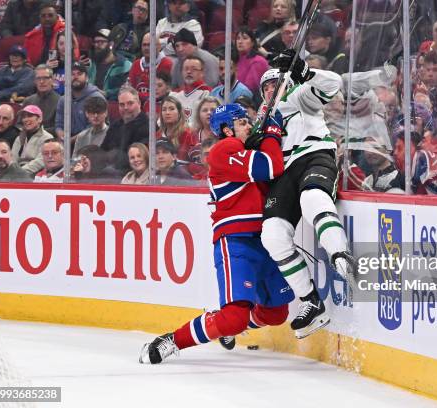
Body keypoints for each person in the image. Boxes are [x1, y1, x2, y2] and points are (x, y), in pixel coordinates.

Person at [139, 103, 292, 364]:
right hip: (237, 240)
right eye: (242, 122)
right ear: (226, 129)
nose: (249, 126)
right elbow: (271, 167)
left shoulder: (244, 150)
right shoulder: (225, 148)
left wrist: (269, 138)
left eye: (248, 121)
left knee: (276, 313)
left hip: (266, 238)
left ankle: (228, 327)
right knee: (234, 317)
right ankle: (171, 340)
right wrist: (272, 133)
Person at [259, 51, 356, 338]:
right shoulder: (262, 121)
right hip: (284, 172)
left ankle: (340, 254)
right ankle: (312, 302)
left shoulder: (300, 97)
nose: (270, 90)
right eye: (265, 87)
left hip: (314, 156)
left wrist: (304, 71)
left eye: (275, 83)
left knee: (313, 198)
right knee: (272, 234)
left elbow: (333, 84)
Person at [100, 86, 149, 173]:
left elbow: (139, 158)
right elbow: (102, 150)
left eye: (130, 103)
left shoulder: (148, 126)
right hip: (109, 171)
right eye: (122, 104)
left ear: (139, 103)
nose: (125, 107)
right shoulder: (115, 125)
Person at [54, 62, 106, 141]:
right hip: (67, 141)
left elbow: (93, 127)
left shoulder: (96, 98)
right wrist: (61, 135)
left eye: (79, 74)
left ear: (87, 77)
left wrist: (71, 140)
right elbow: (59, 124)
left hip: (92, 140)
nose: (76, 77)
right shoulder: (63, 99)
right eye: (72, 74)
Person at [24, 1, 77, 66]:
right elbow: (26, 60)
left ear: (57, 17)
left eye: (50, 15)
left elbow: (75, 56)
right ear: (39, 18)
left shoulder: (66, 33)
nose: (47, 19)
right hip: (36, 71)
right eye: (43, 16)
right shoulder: (32, 36)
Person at [87, 29, 132, 101]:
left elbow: (128, 89)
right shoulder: (91, 64)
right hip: (91, 104)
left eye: (101, 42)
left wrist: (106, 93)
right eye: (95, 42)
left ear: (111, 44)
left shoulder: (124, 65)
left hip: (113, 105)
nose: (96, 45)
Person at [129, 33, 174, 102]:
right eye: (144, 45)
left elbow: (170, 91)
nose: (146, 48)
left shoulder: (167, 64)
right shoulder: (136, 64)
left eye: (150, 45)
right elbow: (130, 89)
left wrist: (140, 95)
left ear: (159, 47)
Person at [11, 104, 54, 175]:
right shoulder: (19, 138)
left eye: (30, 116)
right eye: (24, 117)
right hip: (17, 174)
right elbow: (13, 159)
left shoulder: (47, 137)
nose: (26, 119)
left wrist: (20, 172)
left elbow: (41, 161)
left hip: (37, 174)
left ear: (39, 119)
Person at [169, 56, 212, 125]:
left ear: (202, 73)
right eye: (186, 69)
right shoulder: (174, 94)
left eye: (194, 69)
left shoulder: (208, 94)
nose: (189, 72)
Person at [22, 64, 60, 135]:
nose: (41, 81)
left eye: (45, 78)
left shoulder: (60, 101)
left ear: (52, 80)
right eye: (38, 78)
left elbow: (59, 127)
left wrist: (36, 130)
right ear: (35, 81)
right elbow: (19, 124)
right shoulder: (28, 101)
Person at [235, 27, 269, 95]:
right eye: (238, 38)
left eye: (245, 38)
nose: (240, 41)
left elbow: (249, 88)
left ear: (253, 42)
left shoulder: (259, 61)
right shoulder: (234, 60)